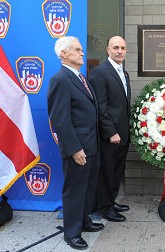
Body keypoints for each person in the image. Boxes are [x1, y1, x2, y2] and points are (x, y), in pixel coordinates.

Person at [47, 36, 104, 250]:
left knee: (88, 188)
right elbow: (60, 119)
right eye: (77, 50)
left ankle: (85, 222)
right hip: (77, 149)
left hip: (91, 145)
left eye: (81, 50)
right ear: (64, 54)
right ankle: (71, 233)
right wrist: (74, 149)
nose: (82, 53)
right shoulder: (60, 79)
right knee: (75, 190)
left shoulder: (80, 77)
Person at [89, 36, 131, 222]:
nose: (119, 51)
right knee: (107, 172)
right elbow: (101, 107)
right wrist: (111, 132)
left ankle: (111, 201)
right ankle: (105, 208)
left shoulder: (124, 73)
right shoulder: (100, 73)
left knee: (116, 171)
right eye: (115, 47)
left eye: (122, 47)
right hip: (110, 135)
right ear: (108, 50)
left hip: (122, 133)